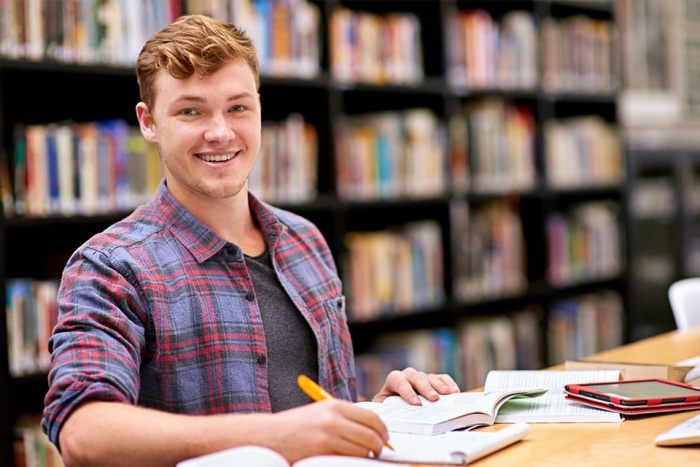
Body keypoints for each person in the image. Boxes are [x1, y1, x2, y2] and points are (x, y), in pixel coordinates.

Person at [42, 14, 459, 466]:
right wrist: (275, 435)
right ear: (148, 122)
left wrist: (380, 415)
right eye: (190, 111)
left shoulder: (307, 241)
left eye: (238, 107)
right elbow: (83, 435)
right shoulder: (110, 266)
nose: (220, 132)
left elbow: (322, 416)